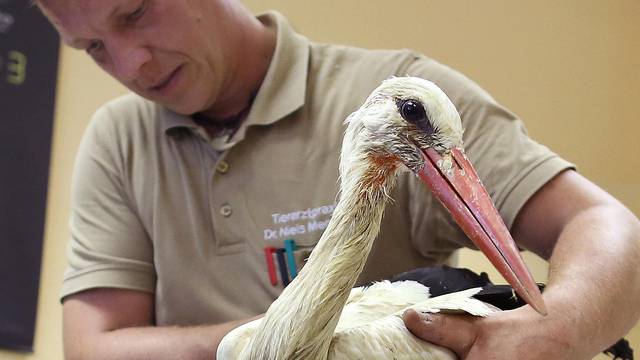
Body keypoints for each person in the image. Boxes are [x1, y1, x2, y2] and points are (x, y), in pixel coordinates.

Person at [37, 0, 640, 359]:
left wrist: (559, 331)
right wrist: (313, 338)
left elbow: (608, 228)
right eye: (92, 47)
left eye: (136, 10)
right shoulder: (118, 138)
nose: (130, 64)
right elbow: (96, 349)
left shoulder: (405, 100)